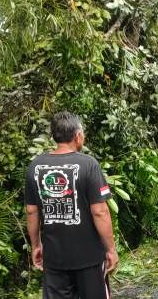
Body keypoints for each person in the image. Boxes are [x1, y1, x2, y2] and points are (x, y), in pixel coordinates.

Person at [25, 111, 118, 299]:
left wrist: (36, 245)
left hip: (54, 258)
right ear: (77, 136)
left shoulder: (35, 166)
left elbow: (31, 210)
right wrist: (111, 249)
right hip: (89, 258)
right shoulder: (89, 165)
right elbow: (100, 211)